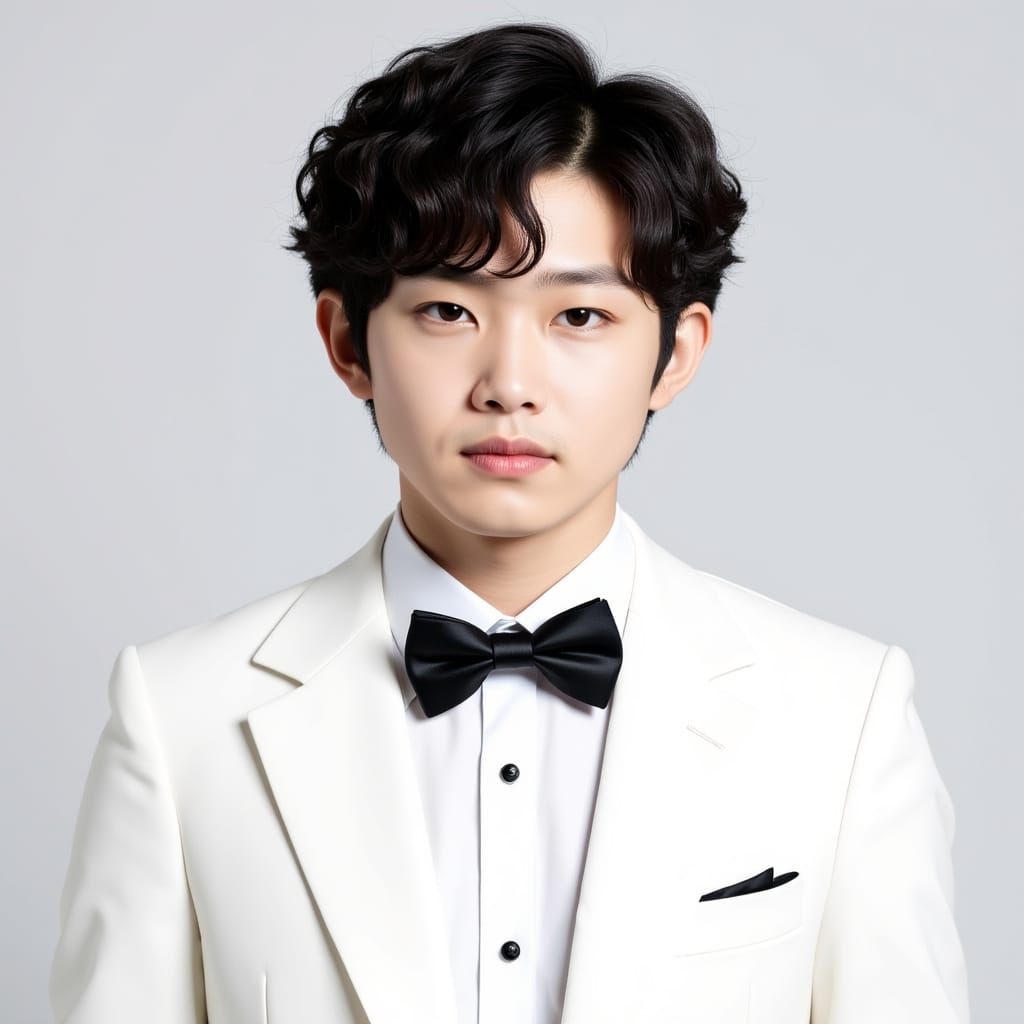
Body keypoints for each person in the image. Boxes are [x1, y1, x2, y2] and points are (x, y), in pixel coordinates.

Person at [49, 20, 970, 1024]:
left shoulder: (839, 718)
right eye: (449, 311)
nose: (509, 385)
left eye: (578, 316)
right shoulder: (180, 719)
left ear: (675, 352)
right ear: (347, 341)